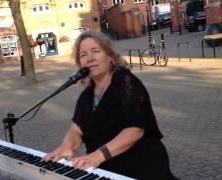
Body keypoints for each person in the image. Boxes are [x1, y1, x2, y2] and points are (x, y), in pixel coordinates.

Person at [43, 31, 178, 179]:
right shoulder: (86, 96)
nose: (90, 58)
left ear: (110, 55)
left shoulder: (127, 83)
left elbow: (135, 129)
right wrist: (65, 148)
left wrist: (96, 156)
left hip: (141, 166)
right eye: (83, 55)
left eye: (96, 51)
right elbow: (76, 130)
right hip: (103, 168)